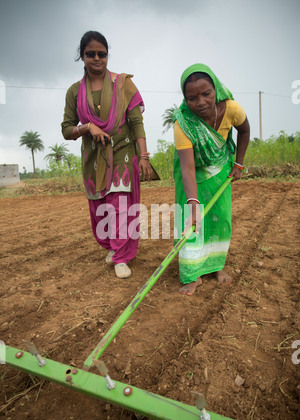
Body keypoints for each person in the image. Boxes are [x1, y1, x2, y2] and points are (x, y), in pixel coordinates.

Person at [61, 31, 153, 279]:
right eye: (91, 54)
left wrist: (143, 156)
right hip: (94, 157)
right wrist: (87, 127)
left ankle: (121, 257)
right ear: (82, 56)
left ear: (107, 55)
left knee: (120, 206)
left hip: (123, 151)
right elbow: (66, 129)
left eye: (102, 54)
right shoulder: (74, 92)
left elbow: (136, 123)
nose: (97, 58)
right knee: (99, 209)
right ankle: (112, 246)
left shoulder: (123, 84)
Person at [173, 63, 250, 295]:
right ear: (186, 100)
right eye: (192, 98)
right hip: (192, 172)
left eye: (206, 94)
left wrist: (239, 163)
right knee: (190, 221)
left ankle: (216, 266)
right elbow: (187, 168)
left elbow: (244, 131)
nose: (201, 102)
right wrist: (193, 204)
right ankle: (192, 274)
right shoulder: (182, 124)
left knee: (219, 218)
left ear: (215, 89)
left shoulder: (232, 109)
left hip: (220, 170)